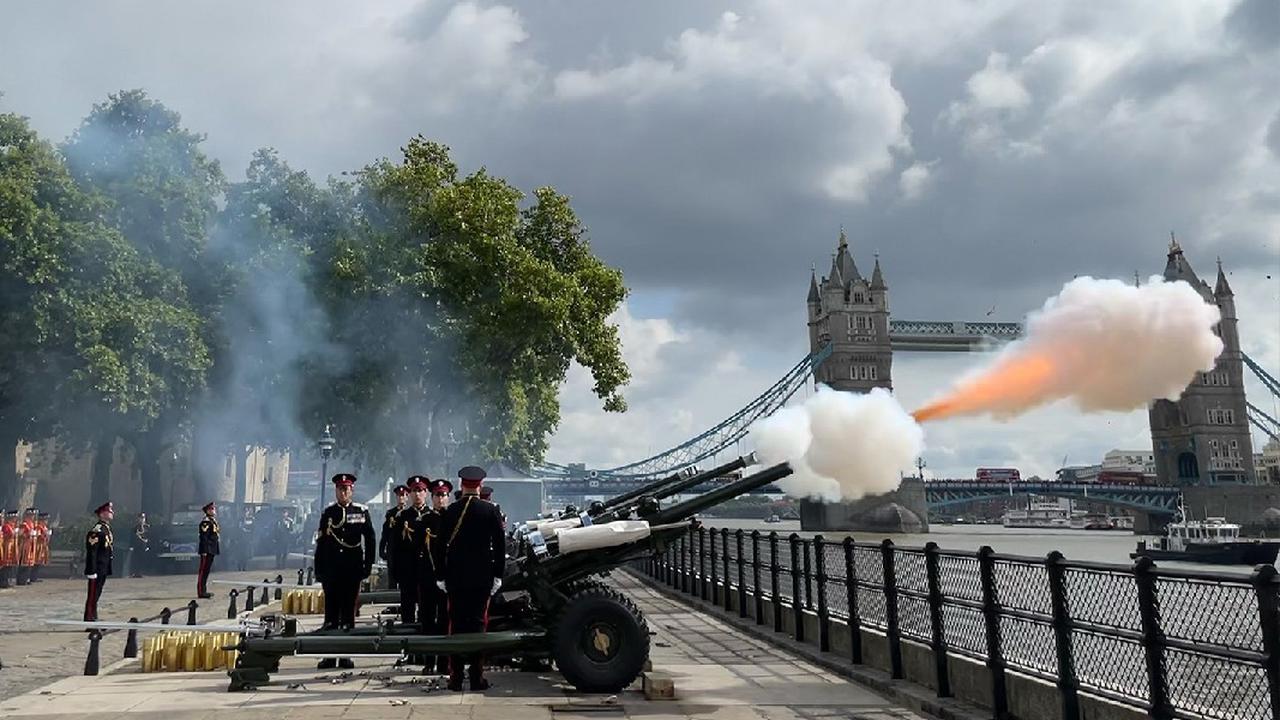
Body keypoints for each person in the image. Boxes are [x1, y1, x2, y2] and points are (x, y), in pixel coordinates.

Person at [434, 466, 505, 691]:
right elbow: (500, 546)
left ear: (461, 485)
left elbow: (438, 546)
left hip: (455, 579)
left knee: (456, 624)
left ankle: (455, 678)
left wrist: (440, 575)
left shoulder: (450, 511)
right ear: (480, 485)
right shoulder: (490, 511)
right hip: (482, 579)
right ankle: (476, 677)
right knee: (478, 625)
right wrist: (498, 575)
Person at [313, 473, 376, 670]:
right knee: (331, 615)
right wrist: (319, 569)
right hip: (332, 570)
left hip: (351, 569)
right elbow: (321, 543)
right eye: (340, 489)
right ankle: (330, 655)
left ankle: (346, 654)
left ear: (352, 490)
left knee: (348, 614)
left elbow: (370, 539)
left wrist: (367, 565)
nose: (343, 492)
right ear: (336, 491)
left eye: (346, 489)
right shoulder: (329, 513)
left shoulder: (361, 512)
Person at [421, 477, 452, 674]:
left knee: (445, 621)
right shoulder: (424, 520)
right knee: (427, 621)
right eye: (437, 495)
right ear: (432, 498)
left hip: (447, 579)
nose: (440, 499)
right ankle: (428, 661)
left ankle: (444, 661)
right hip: (427, 578)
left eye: (443, 495)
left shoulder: (452, 519)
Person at [84, 502, 115, 622]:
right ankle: (90, 619)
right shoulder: (97, 530)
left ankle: (94, 617)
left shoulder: (106, 528)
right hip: (96, 568)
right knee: (92, 595)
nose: (112, 513)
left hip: (103, 566)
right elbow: (92, 551)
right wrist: (91, 570)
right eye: (109, 511)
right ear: (102, 514)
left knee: (97, 594)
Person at [380, 485, 408, 591]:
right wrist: (382, 550)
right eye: (399, 496)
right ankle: (392, 606)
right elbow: (385, 533)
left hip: (405, 551)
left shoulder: (409, 513)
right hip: (393, 551)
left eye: (403, 495)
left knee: (405, 578)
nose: (401, 498)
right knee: (392, 578)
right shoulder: (391, 514)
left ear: (407, 496)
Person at [197, 502, 220, 598]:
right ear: (207, 511)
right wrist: (205, 550)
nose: (214, 511)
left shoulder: (212, 521)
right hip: (207, 550)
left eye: (214, 509)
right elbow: (204, 537)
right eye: (211, 509)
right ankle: (201, 591)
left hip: (212, 549)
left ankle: (204, 590)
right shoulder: (205, 522)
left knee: (207, 570)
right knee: (203, 571)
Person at [0, 509, 14, 589]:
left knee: (5, 566)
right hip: (4, 548)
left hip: (4, 548)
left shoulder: (2, 527)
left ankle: (4, 581)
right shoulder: (5, 527)